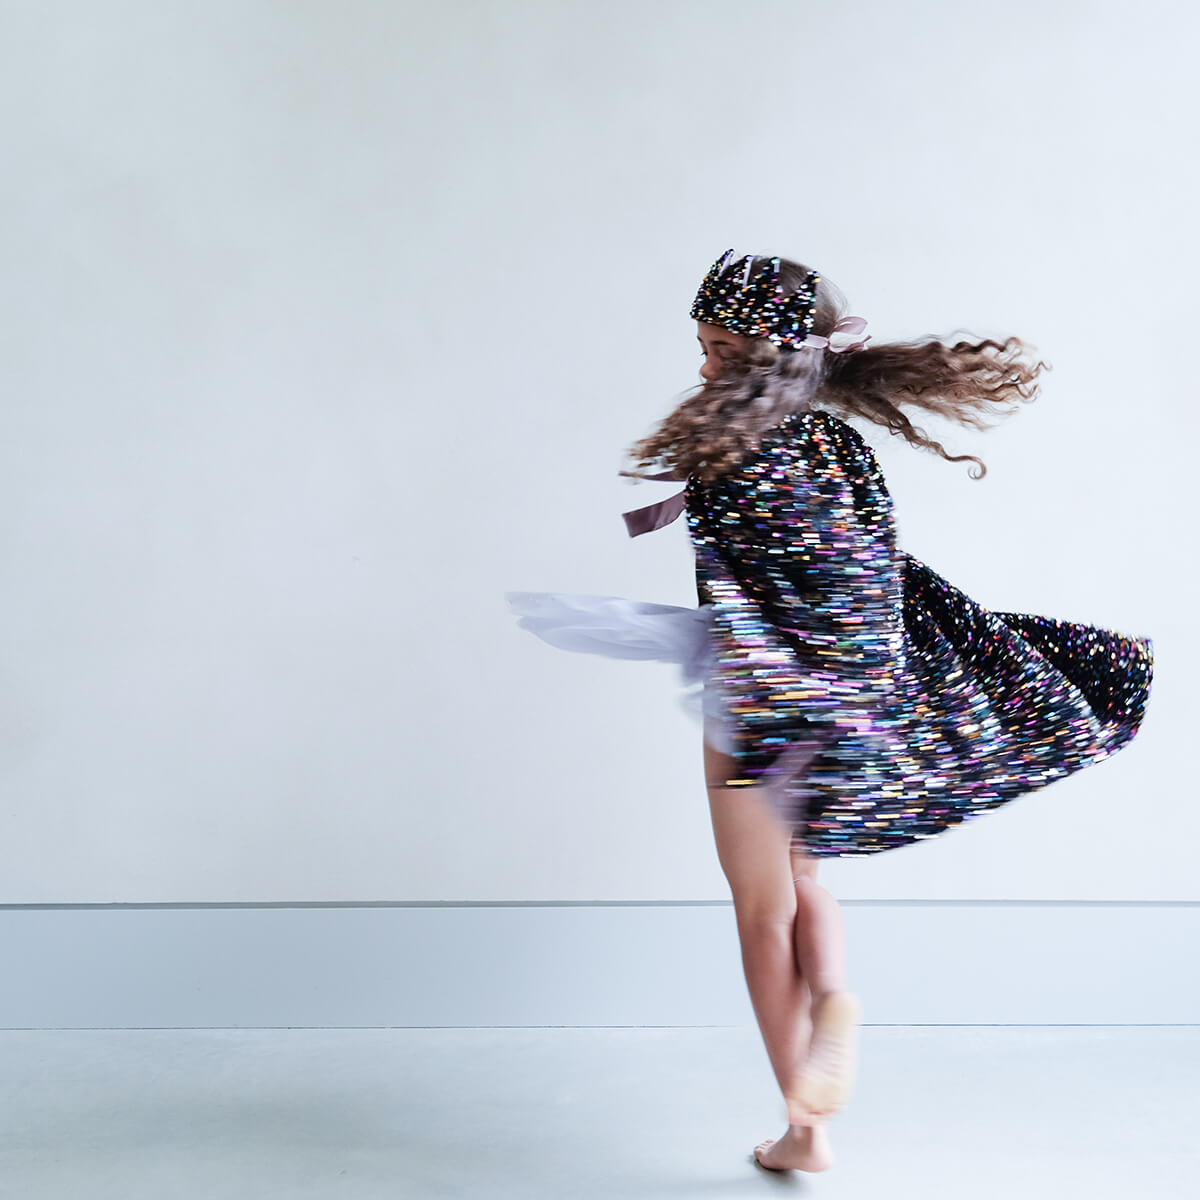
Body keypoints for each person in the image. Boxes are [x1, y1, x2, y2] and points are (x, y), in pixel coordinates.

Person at [505, 248, 1154, 1175]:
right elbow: (874, 580)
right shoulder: (840, 447)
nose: (703, 366)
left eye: (721, 350)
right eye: (702, 346)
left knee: (760, 910)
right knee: (808, 880)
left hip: (755, 701)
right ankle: (836, 993)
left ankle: (804, 1130)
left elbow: (742, 589)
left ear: (769, 356)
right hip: (848, 700)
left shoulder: (728, 450)